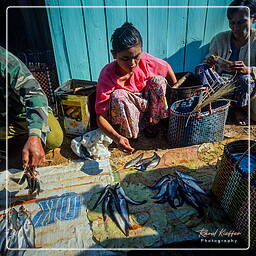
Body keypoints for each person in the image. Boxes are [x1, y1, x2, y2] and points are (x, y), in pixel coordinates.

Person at [95, 22, 177, 152]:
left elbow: (167, 68)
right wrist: (117, 138)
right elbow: (100, 117)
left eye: (136, 56)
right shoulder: (107, 75)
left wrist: (176, 95)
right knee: (118, 96)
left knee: (158, 81)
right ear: (114, 54)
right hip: (129, 112)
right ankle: (131, 135)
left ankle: (154, 124)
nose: (132, 63)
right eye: (125, 58)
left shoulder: (146, 61)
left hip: (147, 106)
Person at [0, 46, 63, 169]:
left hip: (21, 114)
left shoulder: (4, 60)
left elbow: (35, 95)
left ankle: (27, 145)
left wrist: (35, 136)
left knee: (54, 138)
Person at [195, 0, 256, 125]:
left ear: (253, 19)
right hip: (223, 85)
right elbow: (208, 65)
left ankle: (239, 109)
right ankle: (225, 107)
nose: (236, 28)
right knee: (201, 68)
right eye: (232, 23)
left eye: (241, 22)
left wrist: (249, 70)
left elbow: (249, 75)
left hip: (249, 90)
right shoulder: (219, 39)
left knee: (245, 79)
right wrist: (210, 64)